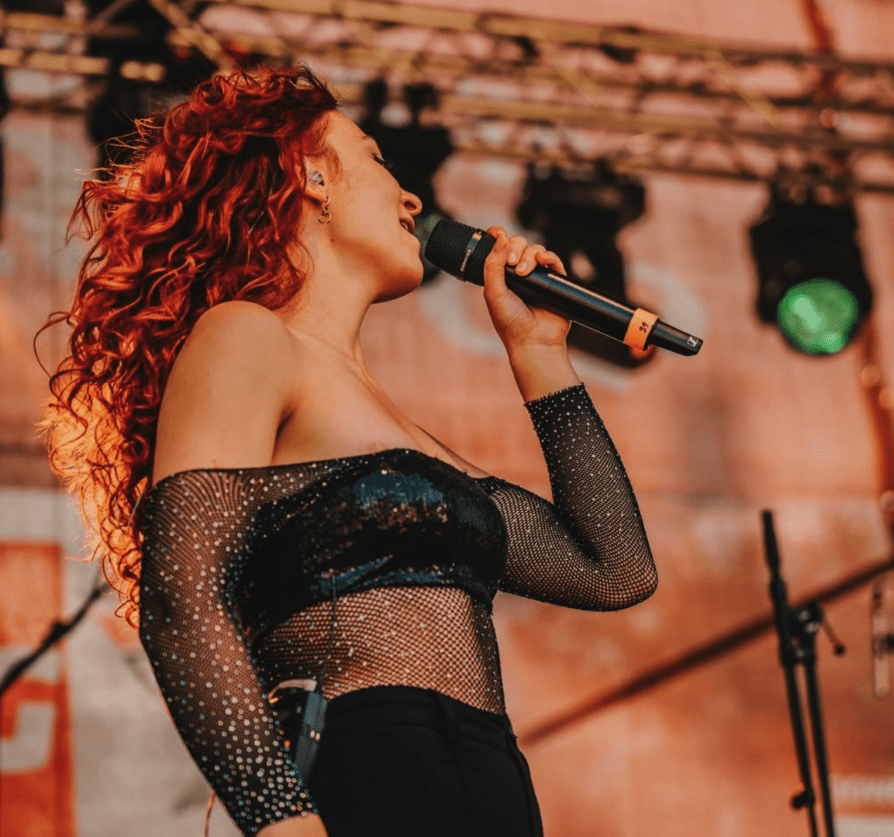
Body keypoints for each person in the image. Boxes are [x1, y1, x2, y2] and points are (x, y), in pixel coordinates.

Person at [37, 64, 657, 837]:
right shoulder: (246, 335)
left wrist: (539, 355)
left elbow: (614, 568)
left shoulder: (400, 424)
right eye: (377, 158)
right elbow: (181, 593)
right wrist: (279, 814)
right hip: (364, 765)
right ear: (311, 176)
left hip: (494, 780)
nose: (412, 199)